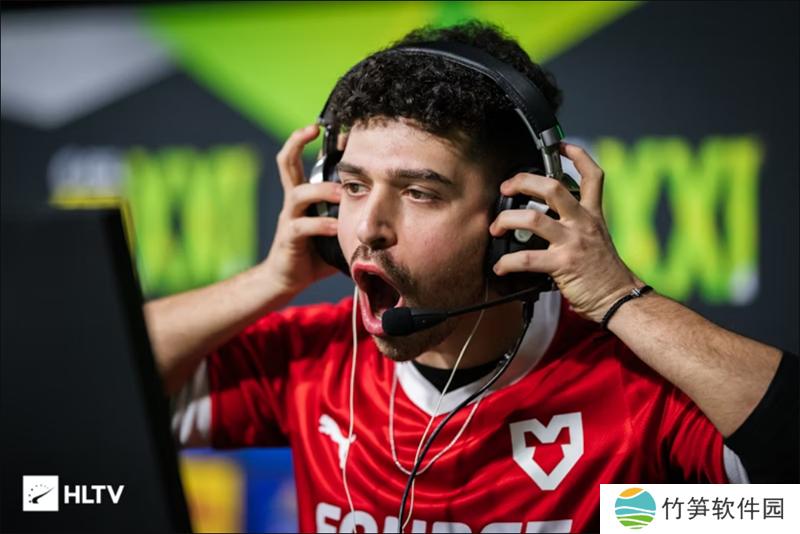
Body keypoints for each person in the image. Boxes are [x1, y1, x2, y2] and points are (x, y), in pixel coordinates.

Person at [149, 21, 798, 534]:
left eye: (419, 192)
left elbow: (781, 500)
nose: (367, 227)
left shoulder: (632, 387)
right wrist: (269, 281)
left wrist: (617, 299)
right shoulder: (311, 357)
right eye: (352, 186)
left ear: (519, 215)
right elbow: (106, 389)